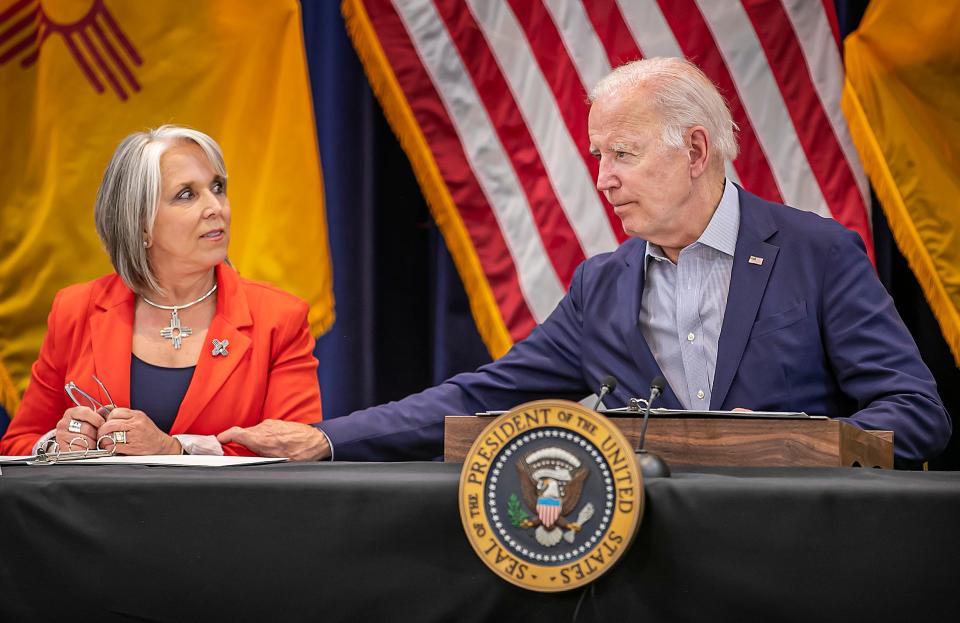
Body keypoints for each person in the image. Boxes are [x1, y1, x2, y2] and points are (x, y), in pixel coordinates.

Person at [219, 57, 950, 467]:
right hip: (643, 575)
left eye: (622, 154)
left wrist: (797, 446)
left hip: (793, 571)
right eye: (598, 156)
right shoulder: (601, 286)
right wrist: (328, 437)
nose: (602, 179)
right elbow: (478, 397)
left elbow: (917, 411)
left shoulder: (816, 254)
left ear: (696, 151)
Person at [0, 126, 322, 456]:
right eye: (186, 195)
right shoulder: (76, 309)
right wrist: (59, 443)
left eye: (218, 188)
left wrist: (175, 450)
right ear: (140, 224)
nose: (216, 208)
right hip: (98, 508)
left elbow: (295, 454)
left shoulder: (279, 317)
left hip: (226, 509)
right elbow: (17, 444)